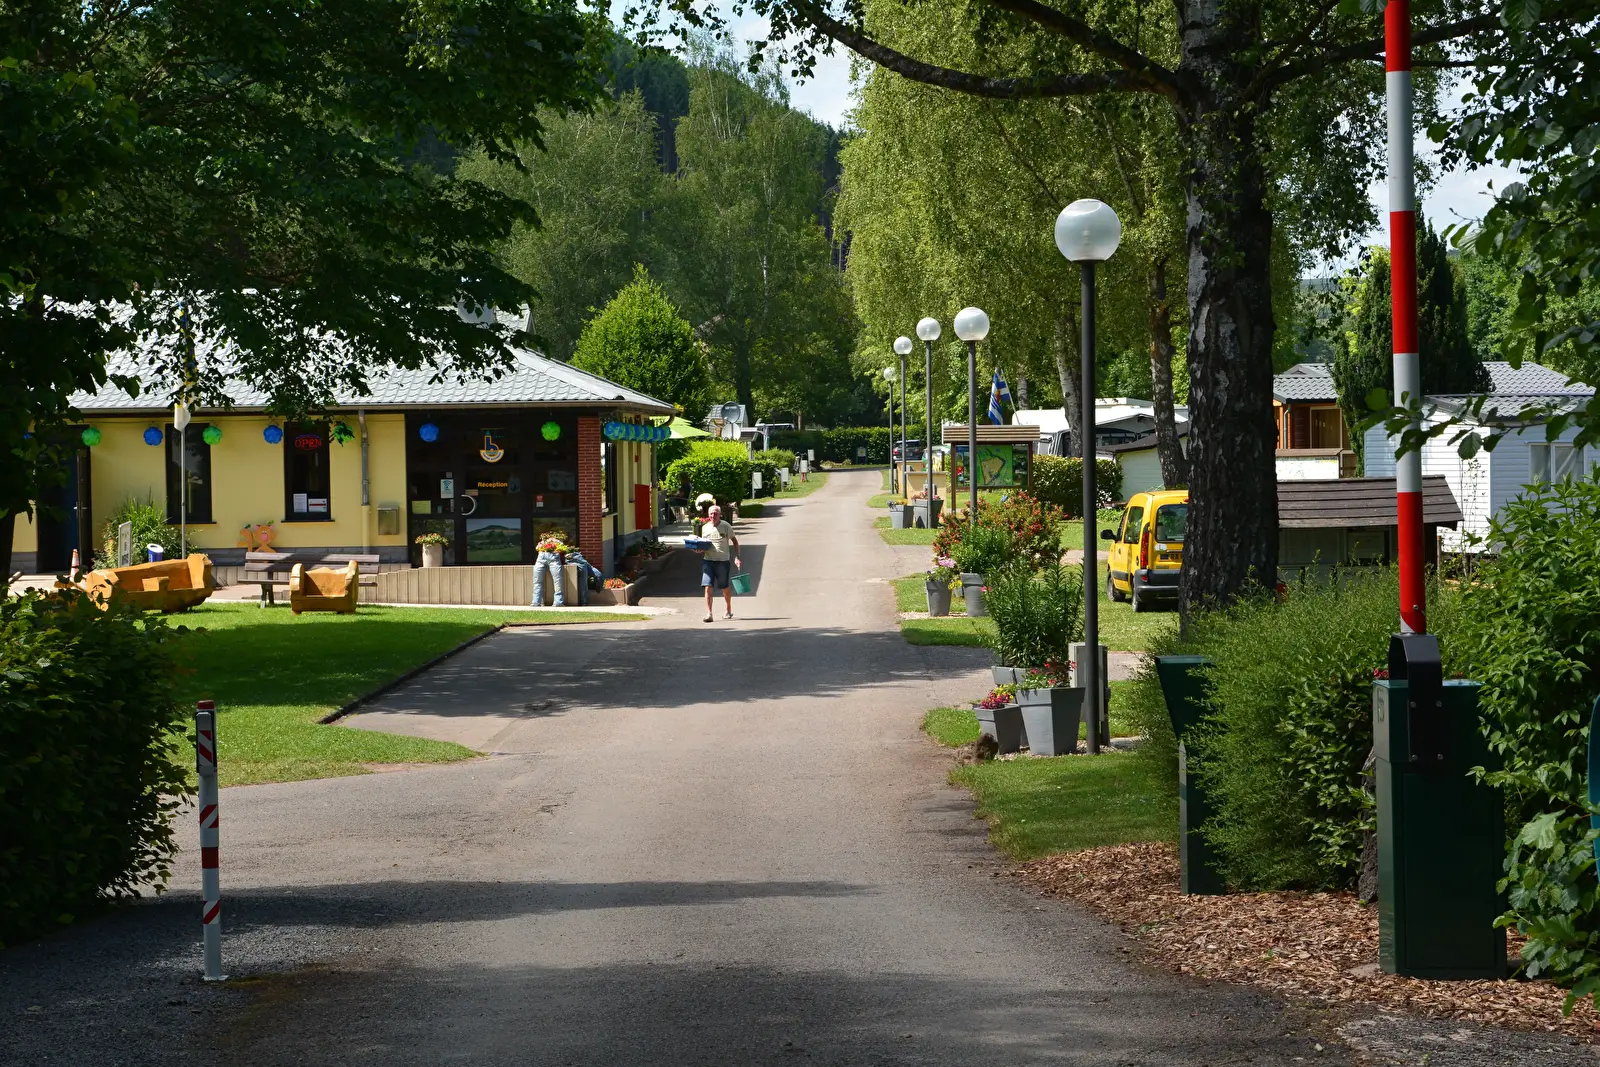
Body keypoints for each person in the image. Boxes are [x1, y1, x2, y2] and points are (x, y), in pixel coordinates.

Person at [699, 504, 741, 623]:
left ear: (720, 514)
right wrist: (698, 550)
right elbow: (703, 544)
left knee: (724, 587)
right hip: (708, 561)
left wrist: (737, 557)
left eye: (716, 513)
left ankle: (728, 609)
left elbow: (735, 542)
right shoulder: (705, 528)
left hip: (722, 562)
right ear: (708, 515)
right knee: (708, 586)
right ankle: (709, 614)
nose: (713, 515)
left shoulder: (726, 526)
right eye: (711, 513)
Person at [532, 535, 566, 607]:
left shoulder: (557, 542)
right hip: (542, 557)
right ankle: (536, 601)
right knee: (538, 580)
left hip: (553, 556)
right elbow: (537, 548)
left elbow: (562, 548)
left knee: (557, 580)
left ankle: (558, 602)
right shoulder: (542, 543)